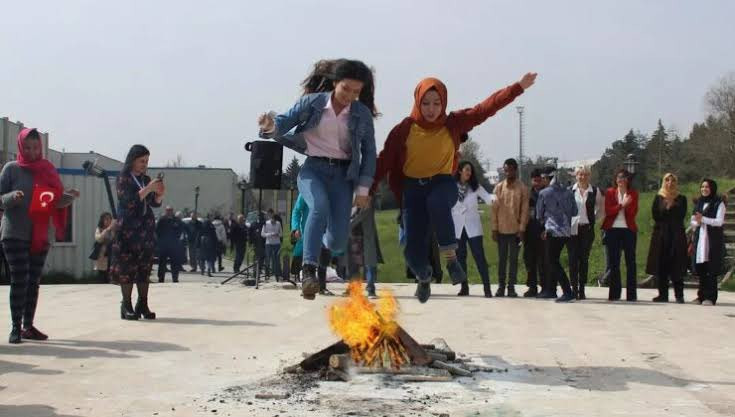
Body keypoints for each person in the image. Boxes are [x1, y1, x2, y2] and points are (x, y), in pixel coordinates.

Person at [375, 73, 537, 303]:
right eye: (425, 103)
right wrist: (364, 189)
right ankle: (424, 276)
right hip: (413, 189)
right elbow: (383, 161)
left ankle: (451, 258)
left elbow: (485, 109)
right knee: (411, 250)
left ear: (444, 103)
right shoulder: (403, 130)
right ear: (417, 102)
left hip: (442, 183)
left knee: (437, 201)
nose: (431, 109)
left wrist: (517, 88)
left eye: (436, 103)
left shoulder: (453, 123)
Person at [258, 59, 377, 300]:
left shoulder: (362, 114)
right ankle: (309, 271)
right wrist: (271, 126)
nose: (349, 96)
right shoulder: (312, 103)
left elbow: (369, 152)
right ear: (335, 83)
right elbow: (284, 122)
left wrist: (363, 189)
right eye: (345, 89)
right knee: (318, 206)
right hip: (313, 170)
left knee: (337, 242)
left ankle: (320, 243)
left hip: (343, 176)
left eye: (356, 92)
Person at [1, 128, 79, 343]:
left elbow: (53, 200)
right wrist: (11, 197)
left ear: (41, 147)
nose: (32, 152)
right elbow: (0, 198)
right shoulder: (11, 169)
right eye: (27, 147)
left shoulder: (47, 169)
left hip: (40, 235)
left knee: (33, 281)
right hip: (14, 233)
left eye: (35, 147)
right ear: (20, 147)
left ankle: (28, 326)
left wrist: (69, 197)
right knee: (20, 279)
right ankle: (15, 327)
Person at [110, 144, 164, 321]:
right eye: (142, 161)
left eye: (147, 161)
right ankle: (126, 305)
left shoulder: (145, 179)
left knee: (144, 268)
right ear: (132, 160)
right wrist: (148, 189)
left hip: (144, 230)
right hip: (127, 230)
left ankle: (143, 303)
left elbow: (153, 203)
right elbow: (129, 202)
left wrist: (159, 194)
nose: (144, 164)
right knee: (127, 268)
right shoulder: (123, 178)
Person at [451, 160, 495, 297]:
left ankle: (487, 288)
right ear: (460, 171)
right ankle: (464, 288)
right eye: (466, 169)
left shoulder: (476, 187)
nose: (469, 172)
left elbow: (488, 199)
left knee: (479, 257)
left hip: (473, 227)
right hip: (458, 228)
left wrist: (496, 198)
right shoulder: (452, 187)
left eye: (470, 170)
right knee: (460, 258)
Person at [645, 173, 688, 303]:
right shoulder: (658, 197)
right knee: (661, 264)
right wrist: (666, 207)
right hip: (661, 235)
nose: (670, 183)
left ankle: (679, 295)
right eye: (667, 180)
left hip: (676, 235)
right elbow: (656, 215)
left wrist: (673, 205)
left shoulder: (681, 198)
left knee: (676, 264)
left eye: (673, 180)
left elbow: (681, 215)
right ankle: (662, 294)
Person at [536, 167, 578, 302]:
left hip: (552, 231)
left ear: (546, 178)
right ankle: (551, 290)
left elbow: (539, 214)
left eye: (543, 178)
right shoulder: (568, 192)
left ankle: (567, 291)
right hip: (566, 231)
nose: (542, 181)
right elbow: (575, 211)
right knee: (554, 260)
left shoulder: (544, 193)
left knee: (552, 261)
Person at [491, 158, 530, 298]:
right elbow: (493, 210)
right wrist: (494, 229)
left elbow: (525, 211)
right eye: (505, 170)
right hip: (501, 231)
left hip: (515, 232)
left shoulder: (522, 188)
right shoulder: (498, 188)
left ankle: (511, 288)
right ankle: (501, 287)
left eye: (510, 170)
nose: (508, 173)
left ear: (515, 170)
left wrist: (522, 229)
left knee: (513, 261)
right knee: (502, 260)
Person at [601, 168, 639, 302]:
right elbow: (608, 211)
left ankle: (631, 295)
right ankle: (614, 294)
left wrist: (624, 206)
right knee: (614, 263)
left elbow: (632, 213)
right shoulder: (610, 192)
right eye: (619, 177)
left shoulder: (633, 193)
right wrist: (622, 205)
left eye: (623, 177)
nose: (621, 180)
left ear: (628, 180)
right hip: (612, 230)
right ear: (615, 179)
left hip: (628, 230)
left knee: (631, 263)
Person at [568, 166, 604, 300]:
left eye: (585, 174)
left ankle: (582, 288)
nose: (583, 177)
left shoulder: (595, 191)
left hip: (587, 229)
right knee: (572, 260)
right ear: (576, 176)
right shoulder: (570, 191)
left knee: (584, 259)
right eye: (580, 174)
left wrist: (593, 219)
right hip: (572, 229)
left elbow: (601, 208)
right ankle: (574, 288)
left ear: (589, 176)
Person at [690, 179, 726, 306]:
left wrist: (703, 219)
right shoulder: (699, 203)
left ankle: (710, 297)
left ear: (712, 189)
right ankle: (701, 296)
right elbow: (693, 220)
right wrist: (697, 222)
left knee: (711, 268)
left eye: (707, 187)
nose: (704, 189)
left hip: (712, 240)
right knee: (701, 268)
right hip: (700, 239)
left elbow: (719, 222)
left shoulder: (718, 203)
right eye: (702, 187)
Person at [344, 204, 384, 298]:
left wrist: (347, 225)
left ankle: (371, 289)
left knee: (369, 263)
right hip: (354, 235)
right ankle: (354, 288)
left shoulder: (367, 198)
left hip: (365, 234)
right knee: (353, 263)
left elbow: (363, 212)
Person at [523, 168, 546, 297]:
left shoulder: (546, 193)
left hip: (543, 232)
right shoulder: (527, 194)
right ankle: (532, 287)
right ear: (531, 181)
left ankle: (545, 287)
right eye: (535, 180)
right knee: (529, 260)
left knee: (543, 261)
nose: (537, 183)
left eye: (539, 180)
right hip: (529, 232)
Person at [155, 206, 185, 283]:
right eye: (168, 210)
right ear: (165, 211)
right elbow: (157, 230)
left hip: (174, 245)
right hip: (164, 245)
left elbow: (181, 229)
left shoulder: (176, 220)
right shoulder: (162, 220)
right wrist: (161, 240)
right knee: (162, 263)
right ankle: (161, 278)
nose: (169, 212)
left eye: (170, 210)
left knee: (174, 262)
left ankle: (175, 278)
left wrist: (176, 237)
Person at [261, 209, 282, 279]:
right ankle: (267, 274)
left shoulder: (278, 223)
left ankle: (277, 273)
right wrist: (270, 234)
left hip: (277, 243)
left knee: (277, 259)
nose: (274, 222)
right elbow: (262, 234)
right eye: (273, 221)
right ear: (270, 219)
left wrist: (277, 234)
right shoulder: (266, 223)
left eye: (275, 221)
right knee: (268, 259)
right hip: (268, 243)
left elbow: (281, 234)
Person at [93, 212, 115, 283]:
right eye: (106, 219)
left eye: (110, 219)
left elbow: (114, 239)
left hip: (112, 254)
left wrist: (113, 229)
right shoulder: (99, 229)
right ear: (102, 220)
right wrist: (107, 229)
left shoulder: (114, 229)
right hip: (102, 255)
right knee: (102, 275)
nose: (108, 221)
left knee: (111, 273)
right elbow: (98, 239)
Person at [290, 195, 308, 280]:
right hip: (305, 232)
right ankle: (297, 275)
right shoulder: (305, 192)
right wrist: (295, 228)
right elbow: (296, 211)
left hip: (322, 231)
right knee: (299, 252)